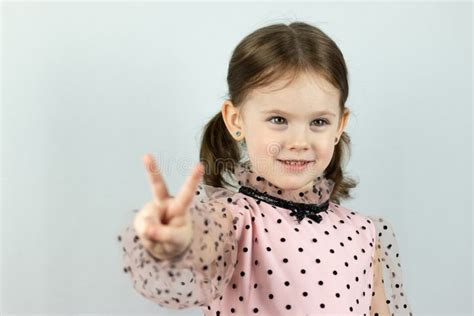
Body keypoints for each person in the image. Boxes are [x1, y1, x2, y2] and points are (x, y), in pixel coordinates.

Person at [117, 21, 413, 315]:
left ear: (339, 125)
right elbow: (200, 239)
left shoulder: (363, 233)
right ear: (236, 121)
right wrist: (178, 238)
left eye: (318, 122)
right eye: (278, 120)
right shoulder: (232, 221)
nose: (299, 141)